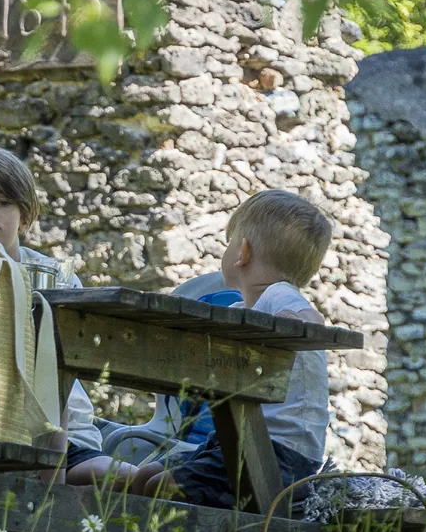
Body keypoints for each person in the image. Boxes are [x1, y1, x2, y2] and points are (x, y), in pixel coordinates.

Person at [0, 142, 140, 487]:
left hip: (65, 433)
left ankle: (160, 482)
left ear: (24, 216)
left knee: (117, 478)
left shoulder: (53, 276)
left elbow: (79, 357)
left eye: (4, 202)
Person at [119, 190, 333, 506]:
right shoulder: (239, 309)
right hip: (234, 444)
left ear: (242, 252)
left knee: (161, 487)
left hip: (280, 455)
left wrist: (292, 322)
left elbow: (310, 317)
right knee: (143, 476)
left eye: (228, 242)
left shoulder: (278, 295)